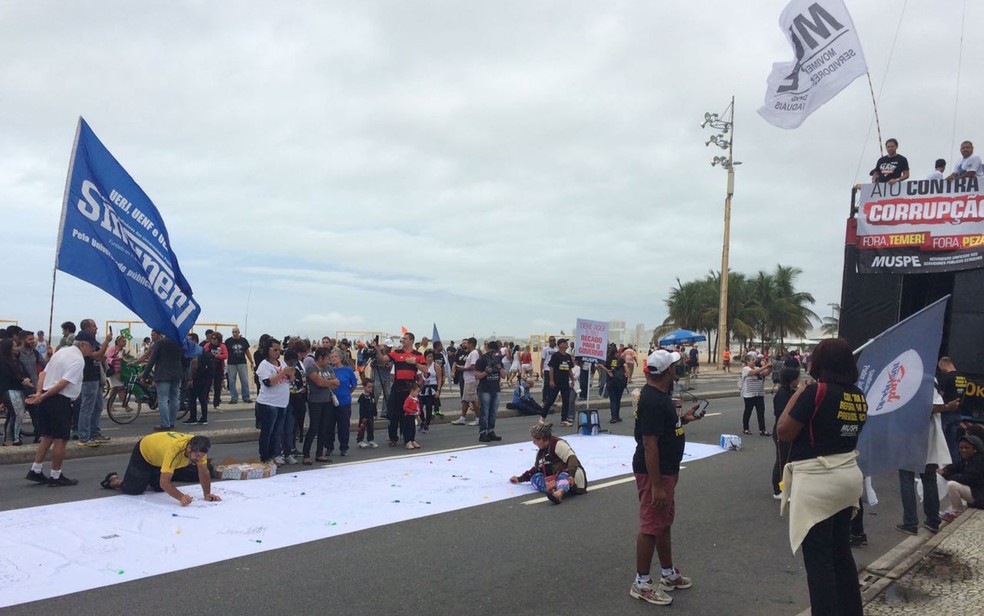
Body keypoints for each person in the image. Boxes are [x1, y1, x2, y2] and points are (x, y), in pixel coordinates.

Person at [776, 338, 867, 616]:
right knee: (841, 552)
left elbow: (784, 430)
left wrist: (799, 392)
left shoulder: (816, 392)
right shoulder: (858, 395)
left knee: (819, 561)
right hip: (848, 478)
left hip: (818, 482)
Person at [630, 350, 702, 606]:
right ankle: (641, 583)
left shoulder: (661, 397)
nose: (680, 366)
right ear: (668, 371)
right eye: (676, 364)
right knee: (651, 526)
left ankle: (668, 574)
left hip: (667, 470)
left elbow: (665, 429)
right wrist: (657, 486)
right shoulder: (653, 400)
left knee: (663, 523)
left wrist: (685, 419)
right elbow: (650, 444)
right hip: (655, 474)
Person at [25, 333, 94, 487]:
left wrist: (39, 392)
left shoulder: (61, 351)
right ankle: (55, 475)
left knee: (48, 436)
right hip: (59, 399)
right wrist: (42, 396)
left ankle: (36, 469)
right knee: (61, 439)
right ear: (82, 344)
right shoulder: (78, 360)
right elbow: (63, 383)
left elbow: (43, 373)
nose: (93, 349)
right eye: (92, 346)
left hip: (47, 396)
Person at [101, 432, 221, 506]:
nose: (200, 458)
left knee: (159, 488)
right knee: (134, 489)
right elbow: (165, 483)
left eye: (202, 456)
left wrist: (207, 494)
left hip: (161, 458)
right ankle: (114, 481)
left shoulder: (199, 450)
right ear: (189, 449)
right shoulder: (174, 451)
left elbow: (204, 472)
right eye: (197, 456)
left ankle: (147, 477)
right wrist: (181, 497)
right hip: (145, 452)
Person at [896, 383, 950, 535]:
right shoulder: (928, 380)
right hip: (925, 437)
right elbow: (934, 406)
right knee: (928, 478)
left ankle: (911, 523)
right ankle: (932, 520)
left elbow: (930, 406)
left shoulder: (909, 378)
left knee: (907, 478)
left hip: (910, 436)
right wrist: (947, 407)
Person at [509, 423, 588, 504]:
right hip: (555, 478)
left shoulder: (557, 444)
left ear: (541, 439)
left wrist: (571, 475)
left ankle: (559, 493)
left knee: (563, 475)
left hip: (572, 476)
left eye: (534, 441)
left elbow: (572, 458)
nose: (533, 443)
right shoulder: (541, 452)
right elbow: (537, 469)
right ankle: (551, 488)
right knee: (535, 477)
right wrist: (520, 478)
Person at [379, 332, 427, 447]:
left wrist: (415, 363)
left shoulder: (418, 354)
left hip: (410, 389)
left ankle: (409, 439)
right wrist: (378, 350)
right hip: (397, 387)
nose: (403, 340)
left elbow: (425, 369)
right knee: (393, 414)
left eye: (405, 339)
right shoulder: (397, 352)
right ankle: (393, 438)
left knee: (410, 415)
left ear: (411, 340)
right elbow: (384, 359)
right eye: (402, 339)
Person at [256, 339, 292, 465]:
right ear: (268, 350)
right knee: (268, 431)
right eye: (275, 350)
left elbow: (290, 378)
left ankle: (275, 454)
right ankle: (265, 456)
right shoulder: (264, 365)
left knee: (278, 431)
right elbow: (268, 382)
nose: (278, 352)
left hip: (282, 402)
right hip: (268, 403)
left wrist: (290, 374)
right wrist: (282, 373)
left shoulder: (281, 362)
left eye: (279, 350)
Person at [76, 319, 112, 447]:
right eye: (94, 326)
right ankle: (84, 437)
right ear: (87, 327)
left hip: (96, 376)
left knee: (97, 406)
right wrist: (106, 342)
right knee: (87, 407)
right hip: (88, 377)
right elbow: (95, 355)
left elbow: (100, 356)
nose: (97, 328)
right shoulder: (82, 341)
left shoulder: (92, 340)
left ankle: (95, 432)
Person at [302, 348, 340, 464]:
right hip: (315, 401)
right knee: (314, 428)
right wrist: (329, 383)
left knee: (324, 428)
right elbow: (319, 382)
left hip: (327, 400)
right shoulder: (311, 368)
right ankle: (306, 454)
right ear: (320, 357)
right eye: (328, 358)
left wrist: (327, 382)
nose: (329, 361)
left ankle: (319, 453)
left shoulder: (328, 368)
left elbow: (336, 382)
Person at [142, 330, 185, 431]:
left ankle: (165, 424)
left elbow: (152, 360)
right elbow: (183, 358)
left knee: (163, 400)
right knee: (174, 399)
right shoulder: (179, 342)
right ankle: (172, 422)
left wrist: (144, 375)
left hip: (163, 374)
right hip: (177, 374)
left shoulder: (159, 344)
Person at [939, 434, 984, 522]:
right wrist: (945, 469)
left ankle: (956, 513)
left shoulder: (979, 461)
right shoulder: (968, 459)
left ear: (975, 449)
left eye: (967, 448)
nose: (963, 450)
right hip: (977, 493)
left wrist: (946, 475)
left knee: (952, 485)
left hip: (980, 498)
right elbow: (956, 467)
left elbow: (967, 479)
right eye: (961, 448)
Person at [771, 367, 799, 499]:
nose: (798, 380)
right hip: (781, 430)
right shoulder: (782, 394)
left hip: (787, 430)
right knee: (782, 461)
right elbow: (781, 413)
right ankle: (778, 490)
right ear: (791, 380)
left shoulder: (789, 392)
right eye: (797, 378)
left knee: (788, 460)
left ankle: (785, 487)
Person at [1, 338, 32, 446]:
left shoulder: (17, 361)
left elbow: (25, 373)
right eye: (14, 346)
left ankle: (11, 437)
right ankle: (14, 438)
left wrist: (27, 379)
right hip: (9, 390)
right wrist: (23, 380)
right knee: (16, 414)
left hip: (19, 390)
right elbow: (8, 377)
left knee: (12, 414)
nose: (17, 348)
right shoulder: (3, 362)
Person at [328, 348, 358, 457]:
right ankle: (329, 447)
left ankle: (344, 447)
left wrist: (347, 393)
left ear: (340, 358)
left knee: (343, 426)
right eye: (332, 357)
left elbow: (353, 385)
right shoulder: (329, 369)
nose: (333, 358)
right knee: (329, 426)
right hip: (330, 401)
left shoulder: (348, 370)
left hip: (344, 402)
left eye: (335, 356)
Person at [476, 340, 507, 442]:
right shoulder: (481, 360)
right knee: (484, 412)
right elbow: (477, 376)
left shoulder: (498, 360)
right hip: (485, 389)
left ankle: (491, 431)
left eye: (495, 352)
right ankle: (482, 433)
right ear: (488, 349)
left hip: (495, 389)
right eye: (492, 351)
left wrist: (499, 368)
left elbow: (503, 375)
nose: (493, 354)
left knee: (493, 412)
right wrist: (486, 372)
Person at [540, 338, 575, 427]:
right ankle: (542, 418)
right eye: (564, 343)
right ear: (560, 345)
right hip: (556, 382)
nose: (566, 344)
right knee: (550, 400)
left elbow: (569, 369)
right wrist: (551, 380)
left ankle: (564, 420)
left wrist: (572, 379)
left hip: (565, 382)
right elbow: (551, 368)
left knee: (566, 401)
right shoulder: (555, 356)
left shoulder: (568, 356)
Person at [937, 357, 962, 463]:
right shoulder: (962, 378)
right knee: (952, 441)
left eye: (941, 368)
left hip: (945, 413)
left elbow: (939, 396)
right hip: (957, 413)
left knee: (940, 441)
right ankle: (955, 463)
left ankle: (941, 465)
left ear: (943, 365)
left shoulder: (945, 378)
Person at [183, 333, 213, 425]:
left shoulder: (196, 351)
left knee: (195, 398)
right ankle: (201, 418)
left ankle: (195, 418)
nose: (187, 342)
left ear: (195, 341)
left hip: (199, 378)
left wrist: (191, 379)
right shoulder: (198, 350)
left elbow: (195, 367)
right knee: (199, 398)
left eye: (189, 340)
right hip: (203, 378)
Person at [740, 353, 773, 436]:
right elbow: (753, 372)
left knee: (761, 412)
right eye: (752, 360)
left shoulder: (758, 368)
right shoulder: (745, 369)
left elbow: (765, 373)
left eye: (755, 360)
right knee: (748, 411)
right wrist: (765, 366)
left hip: (759, 394)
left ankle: (762, 430)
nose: (754, 361)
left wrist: (770, 368)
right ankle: (745, 428)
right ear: (747, 361)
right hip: (749, 394)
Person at [450, 338, 480, 427]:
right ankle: (462, 418)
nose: (465, 345)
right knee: (465, 400)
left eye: (467, 343)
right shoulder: (472, 353)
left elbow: (474, 366)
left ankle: (478, 418)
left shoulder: (474, 353)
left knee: (473, 400)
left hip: (471, 379)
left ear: (471, 344)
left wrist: (463, 369)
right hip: (468, 379)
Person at [224, 327, 253, 404]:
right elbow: (225, 352)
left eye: (236, 332)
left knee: (244, 380)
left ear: (239, 332)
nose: (234, 333)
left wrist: (251, 361)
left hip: (242, 362)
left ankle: (246, 397)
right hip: (231, 363)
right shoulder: (228, 341)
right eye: (233, 332)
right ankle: (234, 398)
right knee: (232, 381)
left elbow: (247, 351)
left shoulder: (243, 340)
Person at [602, 344, 630, 423]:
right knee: (618, 399)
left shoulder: (607, 359)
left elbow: (600, 364)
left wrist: (607, 370)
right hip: (620, 382)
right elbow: (626, 367)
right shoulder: (620, 359)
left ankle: (613, 417)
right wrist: (628, 378)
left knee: (612, 400)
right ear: (616, 352)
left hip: (610, 381)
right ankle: (617, 416)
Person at [104, 335, 131, 414]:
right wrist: (116, 359)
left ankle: (110, 405)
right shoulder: (112, 349)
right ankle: (126, 406)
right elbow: (107, 358)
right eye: (123, 341)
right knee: (120, 388)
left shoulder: (124, 351)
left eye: (125, 341)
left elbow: (128, 359)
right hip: (114, 371)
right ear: (118, 342)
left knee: (115, 389)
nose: (125, 343)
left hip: (120, 371)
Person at [419, 349, 439, 433]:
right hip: (423, 388)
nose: (430, 358)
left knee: (429, 407)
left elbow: (439, 378)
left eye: (431, 356)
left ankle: (427, 424)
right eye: (428, 356)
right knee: (419, 407)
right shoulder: (421, 365)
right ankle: (423, 420)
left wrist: (438, 390)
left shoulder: (436, 366)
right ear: (425, 357)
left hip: (432, 388)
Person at [356, 380, 378, 449]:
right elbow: (361, 408)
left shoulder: (372, 395)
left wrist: (375, 413)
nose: (370, 389)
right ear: (364, 387)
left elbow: (374, 405)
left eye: (371, 387)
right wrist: (363, 417)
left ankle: (370, 439)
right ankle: (360, 440)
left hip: (370, 415)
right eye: (368, 387)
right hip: (364, 416)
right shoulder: (362, 397)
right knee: (362, 428)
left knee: (371, 428)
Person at [402, 382, 422, 449]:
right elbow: (405, 407)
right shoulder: (409, 399)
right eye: (417, 392)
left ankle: (412, 440)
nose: (417, 393)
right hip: (409, 416)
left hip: (414, 415)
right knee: (408, 429)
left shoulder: (416, 399)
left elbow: (418, 406)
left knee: (413, 429)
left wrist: (418, 412)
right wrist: (411, 411)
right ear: (412, 391)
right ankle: (408, 441)